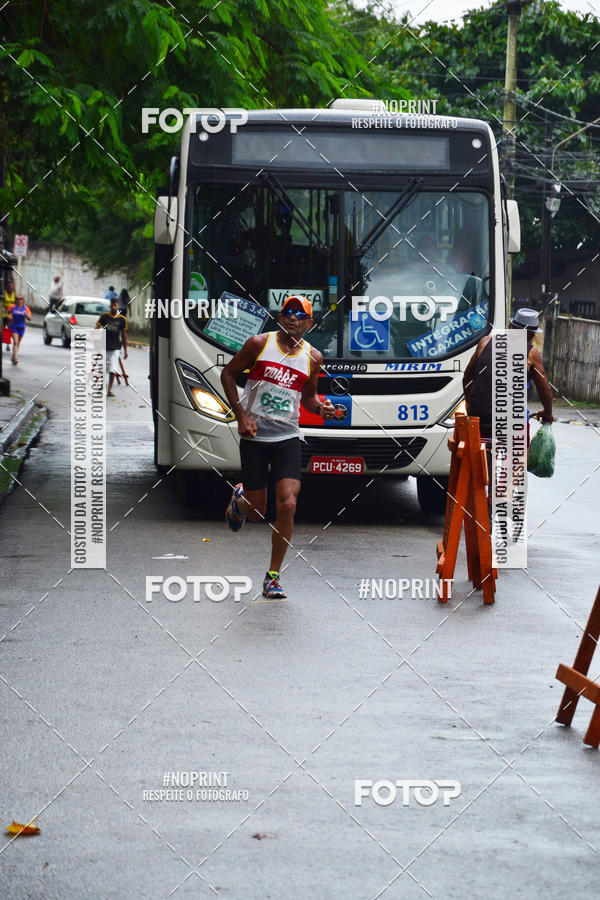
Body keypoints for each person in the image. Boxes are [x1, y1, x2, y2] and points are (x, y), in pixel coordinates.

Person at [220, 294, 336, 599]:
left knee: (287, 503)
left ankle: (273, 576)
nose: (293, 317)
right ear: (280, 317)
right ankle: (240, 499)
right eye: (288, 312)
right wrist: (240, 416)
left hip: (287, 437)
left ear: (309, 323)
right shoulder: (259, 344)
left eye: (301, 314)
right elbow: (228, 373)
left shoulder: (313, 358)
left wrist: (321, 408)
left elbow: (308, 398)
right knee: (257, 513)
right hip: (255, 435)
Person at [463, 307, 555, 449]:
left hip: (479, 420)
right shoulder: (531, 353)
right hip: (510, 425)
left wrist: (471, 406)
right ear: (531, 336)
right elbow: (545, 391)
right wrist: (548, 413)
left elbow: (467, 379)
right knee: (519, 456)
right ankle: (517, 469)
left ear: (510, 327)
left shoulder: (485, 342)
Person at [96, 298, 128, 397]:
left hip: (115, 348)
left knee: (112, 369)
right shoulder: (104, 317)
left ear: (118, 306)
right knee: (103, 369)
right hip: (105, 346)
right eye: (112, 305)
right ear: (110, 306)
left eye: (116, 305)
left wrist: (125, 350)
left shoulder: (122, 319)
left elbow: (123, 335)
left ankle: (109, 390)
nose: (114, 307)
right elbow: (97, 328)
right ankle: (101, 387)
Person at [8, 295, 31, 365]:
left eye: (20, 299)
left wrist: (26, 315)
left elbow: (29, 318)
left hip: (22, 327)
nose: (19, 300)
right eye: (17, 299)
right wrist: (8, 317)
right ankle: (15, 358)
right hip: (13, 326)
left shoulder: (26, 308)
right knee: (15, 342)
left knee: (18, 343)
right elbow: (7, 314)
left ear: (23, 300)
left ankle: (13, 357)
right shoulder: (12, 307)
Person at [3, 276, 16, 351]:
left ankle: (7, 344)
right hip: (4, 314)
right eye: (9, 286)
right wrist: (6, 307)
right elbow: (2, 303)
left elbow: (15, 304)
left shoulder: (14, 295)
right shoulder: (5, 294)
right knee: (3, 328)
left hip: (10, 315)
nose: (10, 288)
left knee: (9, 329)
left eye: (11, 286)